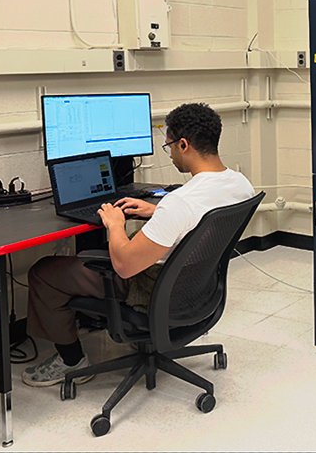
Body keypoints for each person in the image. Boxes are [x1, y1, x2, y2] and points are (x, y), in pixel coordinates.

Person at [22, 102, 255, 387]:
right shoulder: (240, 185)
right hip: (199, 291)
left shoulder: (179, 202)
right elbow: (202, 221)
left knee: (44, 271)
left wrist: (116, 224)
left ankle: (71, 360)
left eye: (168, 145)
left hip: (151, 290)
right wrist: (155, 212)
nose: (169, 154)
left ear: (184, 145)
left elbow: (124, 265)